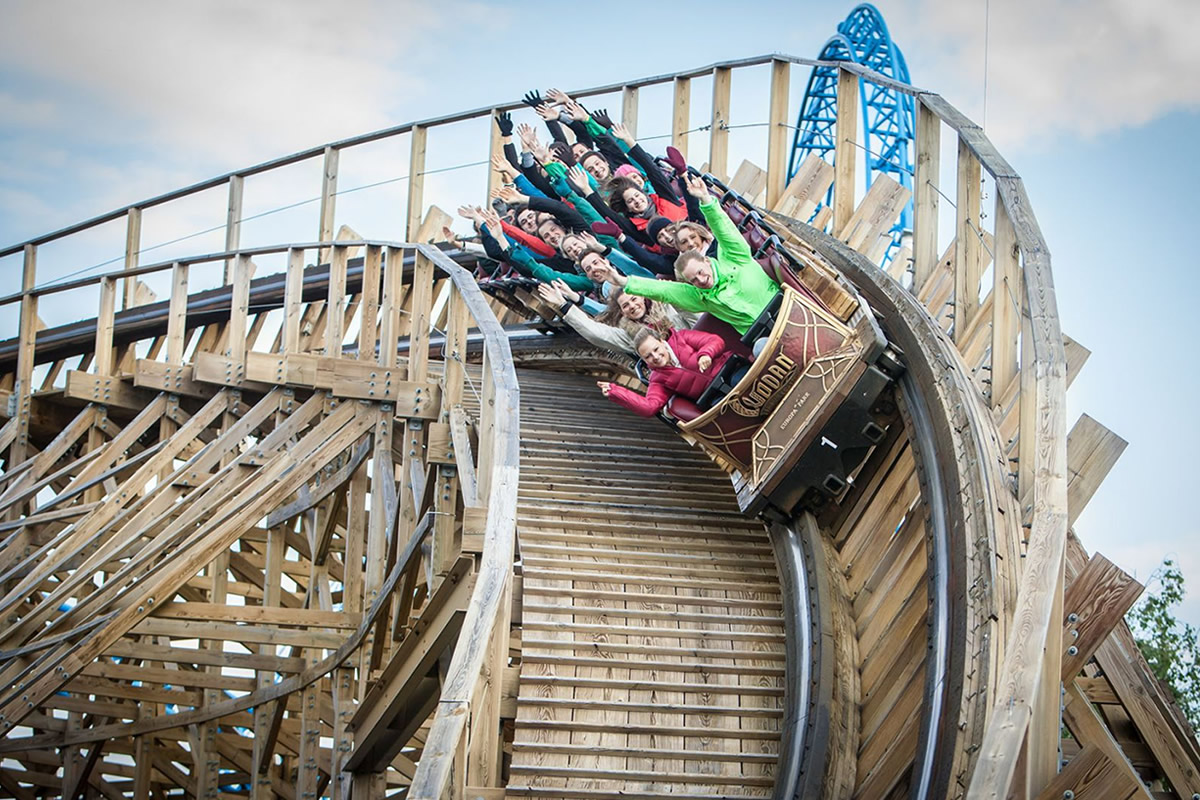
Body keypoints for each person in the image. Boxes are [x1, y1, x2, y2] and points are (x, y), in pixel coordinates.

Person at [614, 174, 781, 336]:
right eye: (693, 280)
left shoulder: (732, 256)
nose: (700, 280)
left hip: (782, 307)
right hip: (762, 334)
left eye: (700, 273)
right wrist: (623, 281)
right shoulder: (700, 296)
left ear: (707, 262)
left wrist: (706, 199)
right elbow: (663, 289)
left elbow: (723, 229)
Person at [597, 327, 730, 417]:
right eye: (648, 356)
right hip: (713, 395)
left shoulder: (681, 338)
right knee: (728, 412)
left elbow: (714, 340)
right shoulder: (658, 379)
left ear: (662, 342)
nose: (655, 357)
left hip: (727, 371)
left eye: (656, 349)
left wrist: (706, 354)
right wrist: (616, 392)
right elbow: (649, 407)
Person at [536, 279, 695, 354]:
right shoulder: (629, 334)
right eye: (625, 306)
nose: (632, 306)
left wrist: (665, 289)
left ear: (643, 297)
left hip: (699, 344)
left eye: (634, 300)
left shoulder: (665, 305)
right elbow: (596, 333)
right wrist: (563, 306)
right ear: (622, 312)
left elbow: (691, 310)